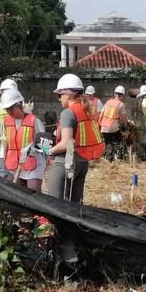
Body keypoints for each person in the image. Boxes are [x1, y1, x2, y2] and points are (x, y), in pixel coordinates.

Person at [43, 74, 105, 203]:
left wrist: (48, 151)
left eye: (59, 95)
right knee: (76, 206)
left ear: (67, 95)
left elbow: (66, 143)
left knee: (54, 203)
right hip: (82, 164)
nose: (59, 99)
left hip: (66, 163)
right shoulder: (86, 110)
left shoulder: (68, 113)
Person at [1, 89, 47, 192]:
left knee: (34, 195)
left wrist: (34, 149)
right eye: (6, 109)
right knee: (15, 195)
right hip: (13, 165)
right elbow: (5, 142)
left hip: (33, 165)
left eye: (10, 109)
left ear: (18, 105)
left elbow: (45, 146)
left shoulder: (34, 121)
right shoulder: (6, 121)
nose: (8, 112)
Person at [0, 78, 19, 178]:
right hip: (22, 152)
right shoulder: (24, 107)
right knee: (20, 181)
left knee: (4, 181)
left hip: (4, 150)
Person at [99, 86, 128, 161]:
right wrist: (125, 127)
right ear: (122, 95)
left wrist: (99, 125)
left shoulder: (108, 102)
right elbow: (123, 118)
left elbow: (101, 115)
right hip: (113, 127)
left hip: (104, 127)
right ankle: (120, 158)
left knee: (108, 144)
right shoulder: (121, 104)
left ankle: (108, 159)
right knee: (119, 142)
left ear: (115, 94)